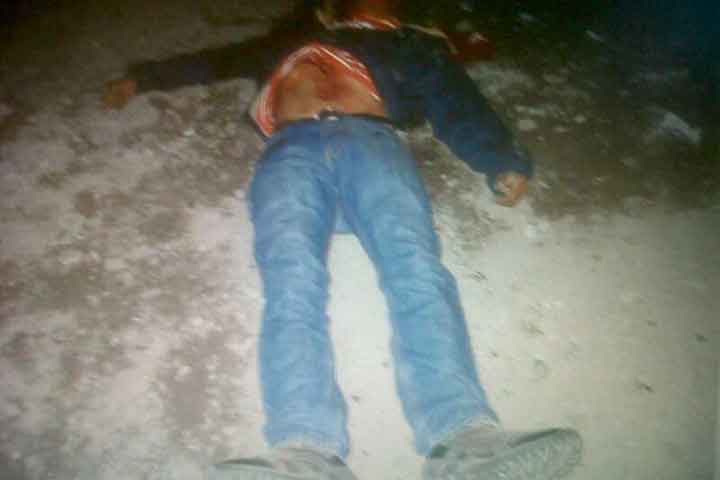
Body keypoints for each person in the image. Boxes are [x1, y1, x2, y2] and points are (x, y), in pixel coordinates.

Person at [105, 1, 582, 478]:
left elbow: (457, 103)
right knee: (291, 281)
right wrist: (142, 78)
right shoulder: (289, 39)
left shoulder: (412, 43)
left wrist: (501, 158)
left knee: (415, 268)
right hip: (289, 149)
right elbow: (217, 61)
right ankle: (305, 453)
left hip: (371, 143)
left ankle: (465, 440)